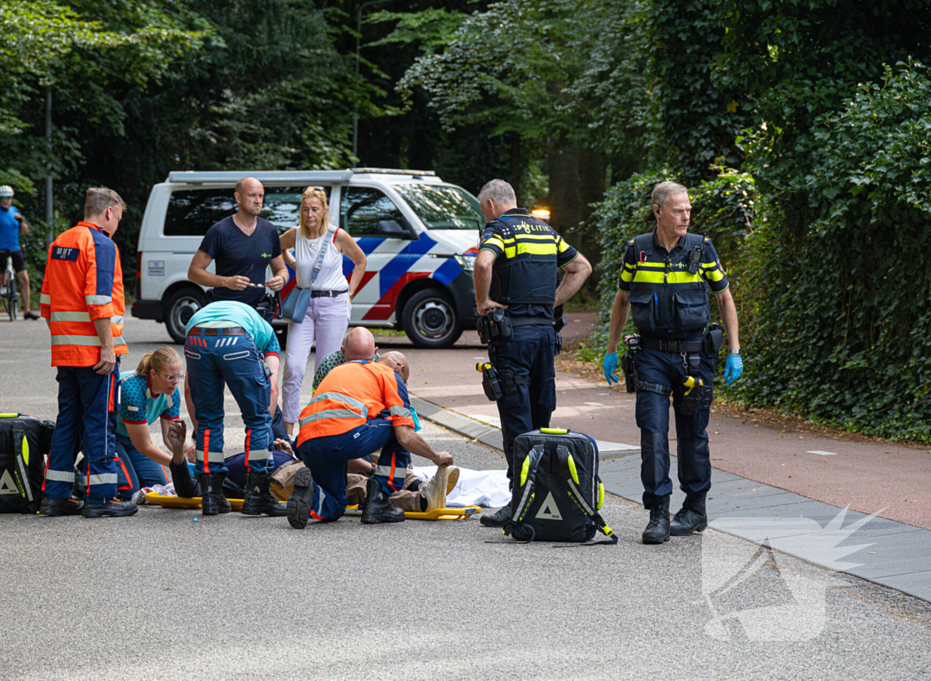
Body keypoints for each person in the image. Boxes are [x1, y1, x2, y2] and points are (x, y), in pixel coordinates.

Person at [602, 181, 742, 545]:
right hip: (651, 356)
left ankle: (695, 509)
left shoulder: (702, 248)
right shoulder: (637, 250)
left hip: (695, 356)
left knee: (693, 434)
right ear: (658, 211)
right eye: (679, 210)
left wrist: (735, 350)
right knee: (652, 432)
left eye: (689, 210)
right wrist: (611, 348)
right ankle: (658, 513)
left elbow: (724, 298)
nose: (686, 216)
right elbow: (622, 299)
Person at [472, 179, 592, 528]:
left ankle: (519, 503)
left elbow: (483, 265)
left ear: (492, 204)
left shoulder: (499, 230)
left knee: (516, 420)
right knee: (542, 418)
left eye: (484, 209)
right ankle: (543, 498)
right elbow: (581, 266)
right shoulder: (546, 232)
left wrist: (483, 303)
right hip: (544, 335)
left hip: (513, 337)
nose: (485, 214)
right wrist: (550, 301)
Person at [39, 187, 134, 518]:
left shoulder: (60, 242)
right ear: (108, 213)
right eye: (119, 218)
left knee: (68, 421)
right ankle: (102, 497)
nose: (117, 225)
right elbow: (98, 301)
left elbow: (47, 305)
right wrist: (107, 347)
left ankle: (56, 496)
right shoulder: (101, 244)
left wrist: (67, 340)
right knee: (100, 421)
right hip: (96, 353)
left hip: (66, 351)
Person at [285, 352, 456, 529]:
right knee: (399, 424)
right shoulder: (390, 375)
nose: (403, 386)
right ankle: (379, 500)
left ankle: (310, 494)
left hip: (307, 441)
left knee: (336, 504)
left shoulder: (342, 369)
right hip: (343, 436)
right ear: (401, 369)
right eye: (405, 382)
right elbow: (405, 436)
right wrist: (436, 456)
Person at [182, 299, 285, 517]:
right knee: (257, 419)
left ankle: (211, 495)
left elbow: (189, 391)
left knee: (209, 422)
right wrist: (266, 424)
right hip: (236, 338)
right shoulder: (266, 332)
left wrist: (199, 431)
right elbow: (273, 387)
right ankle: (258, 495)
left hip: (196, 338)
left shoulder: (202, 316)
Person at [279, 186, 368, 435]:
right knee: (294, 366)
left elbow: (361, 261)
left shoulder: (337, 236)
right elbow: (277, 247)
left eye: (315, 209)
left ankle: (319, 427)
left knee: (325, 370)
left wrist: (350, 293)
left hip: (333, 304)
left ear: (324, 210)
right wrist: (293, 264)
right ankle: (288, 431)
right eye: (305, 209)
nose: (310, 215)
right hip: (303, 307)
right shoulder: (296, 235)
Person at [187, 177, 289, 320]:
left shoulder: (270, 231)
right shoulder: (219, 231)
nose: (258, 201)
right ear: (238, 198)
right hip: (227, 313)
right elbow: (193, 272)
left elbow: (281, 269)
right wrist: (226, 282)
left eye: (261, 196)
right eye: (252, 195)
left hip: (260, 313)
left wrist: (281, 279)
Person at [113, 347, 186, 499]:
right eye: (170, 377)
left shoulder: (172, 392)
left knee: (158, 486)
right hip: (108, 436)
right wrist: (180, 466)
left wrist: (186, 452)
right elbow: (144, 446)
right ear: (153, 374)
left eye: (179, 376)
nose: (176, 382)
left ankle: (123, 466)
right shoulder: (132, 389)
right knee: (128, 491)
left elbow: (170, 439)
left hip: (131, 439)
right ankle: (84, 474)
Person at [0, 185, 37, 321]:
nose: (5, 200)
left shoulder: (14, 211)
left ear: (12, 199)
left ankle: (27, 310)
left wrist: (21, 221)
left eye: (8, 198)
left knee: (24, 279)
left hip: (15, 248)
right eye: (3, 198)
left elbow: (25, 231)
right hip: (1, 250)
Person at [311, 326, 378, 391]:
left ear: (375, 352)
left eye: (366, 361)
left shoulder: (381, 366)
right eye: (354, 361)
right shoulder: (328, 365)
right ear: (343, 351)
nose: (359, 366)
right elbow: (317, 399)